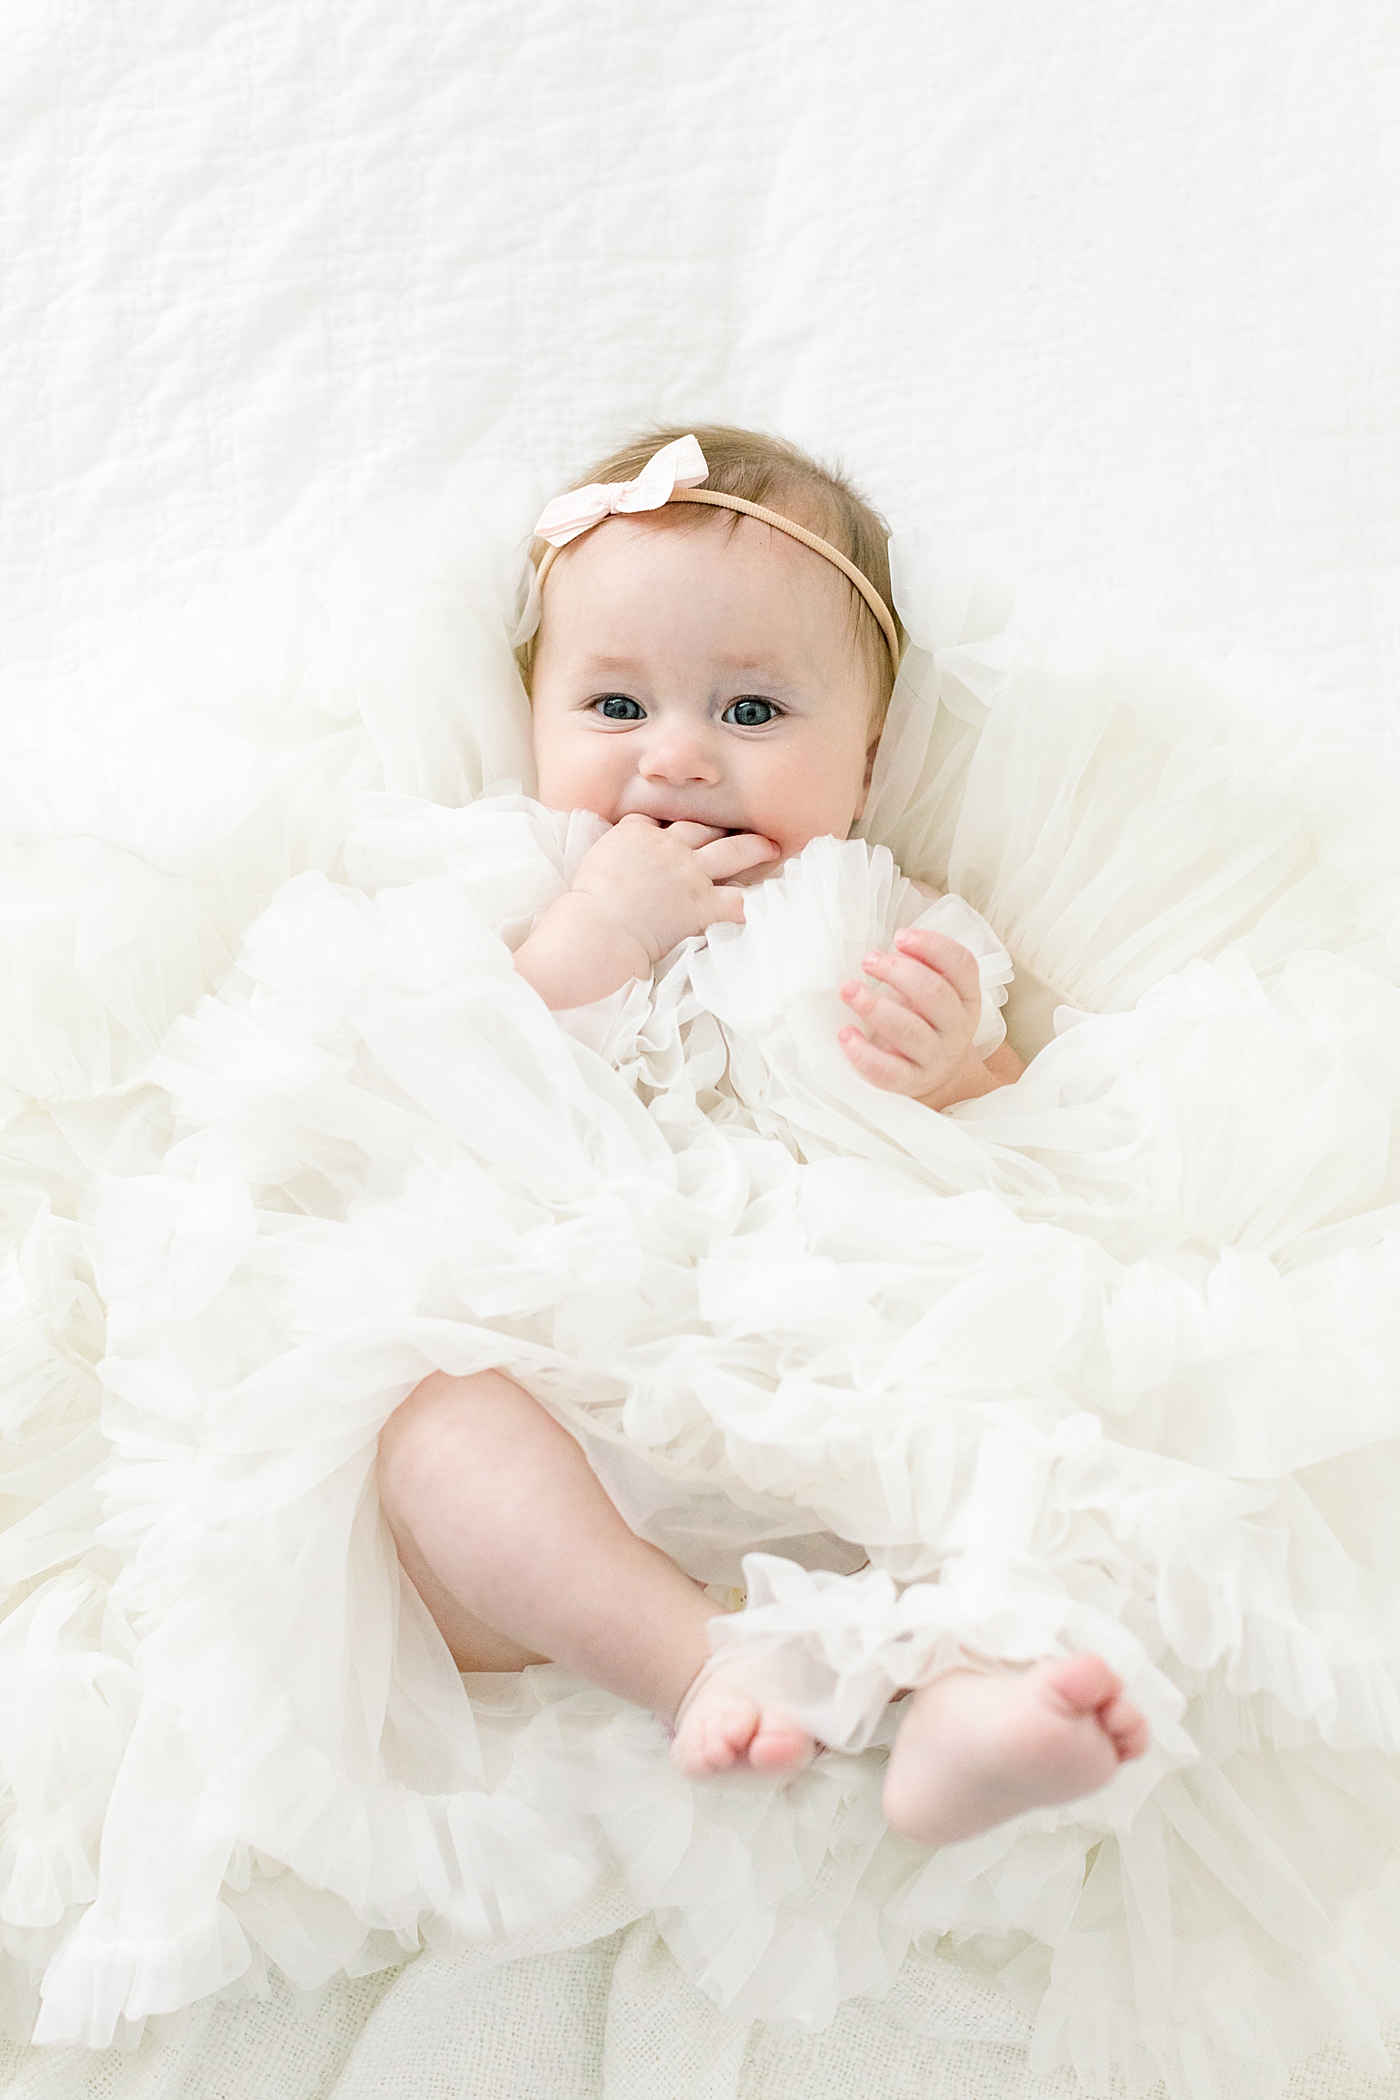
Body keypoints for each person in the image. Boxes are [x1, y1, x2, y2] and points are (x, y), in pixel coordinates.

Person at [377, 428, 1150, 1849]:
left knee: (1026, 1433)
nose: (676, 755)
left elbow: (1021, 1125)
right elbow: (454, 1082)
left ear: (863, 758)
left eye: (750, 713)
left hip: (842, 1356)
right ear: (532, 718)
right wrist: (599, 930)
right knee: (434, 1438)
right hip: (590, 1383)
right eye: (615, 704)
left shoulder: (886, 900)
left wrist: (954, 1058)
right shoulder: (519, 885)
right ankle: (700, 1661)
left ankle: (960, 1703)